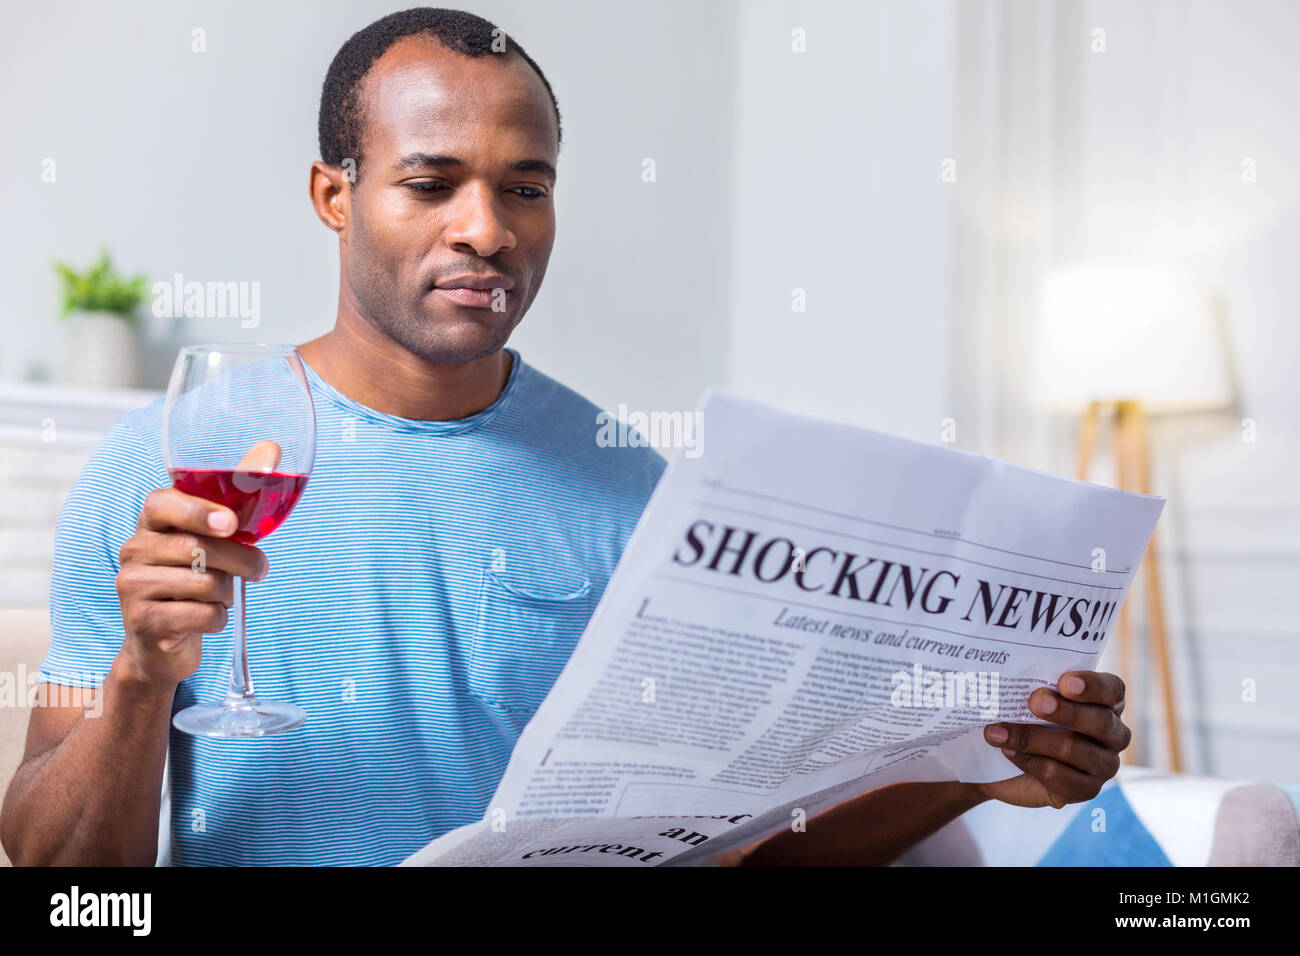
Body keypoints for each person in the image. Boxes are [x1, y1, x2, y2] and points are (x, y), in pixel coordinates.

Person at [0, 7, 1130, 867]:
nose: (484, 230)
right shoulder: (160, 467)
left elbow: (724, 854)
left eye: (524, 188)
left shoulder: (642, 490)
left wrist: (981, 771)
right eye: (430, 182)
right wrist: (144, 679)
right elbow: (59, 874)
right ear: (333, 196)